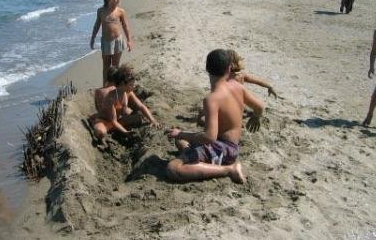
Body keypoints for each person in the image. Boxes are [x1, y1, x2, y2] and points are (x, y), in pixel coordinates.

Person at [166, 49, 265, 183]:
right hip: (230, 146)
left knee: (173, 168)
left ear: (207, 69)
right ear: (229, 68)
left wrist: (181, 133)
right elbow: (259, 107)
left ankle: (230, 169)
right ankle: (199, 158)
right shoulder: (237, 86)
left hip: (223, 149)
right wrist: (255, 117)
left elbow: (209, 137)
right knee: (181, 142)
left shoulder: (212, 99)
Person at [90, 65, 159, 139]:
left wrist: (152, 120)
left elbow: (141, 106)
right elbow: (113, 120)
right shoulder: (112, 97)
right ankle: (95, 122)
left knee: (139, 117)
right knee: (100, 132)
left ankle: (114, 129)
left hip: (118, 120)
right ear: (123, 83)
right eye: (131, 85)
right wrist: (125, 132)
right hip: (105, 120)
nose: (134, 87)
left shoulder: (127, 92)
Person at [90, 0, 133, 85]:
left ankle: (115, 85)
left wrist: (129, 40)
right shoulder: (101, 11)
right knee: (106, 66)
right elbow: (97, 25)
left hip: (118, 41)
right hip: (106, 42)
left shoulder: (120, 11)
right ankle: (105, 85)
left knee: (115, 65)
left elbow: (126, 26)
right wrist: (92, 38)